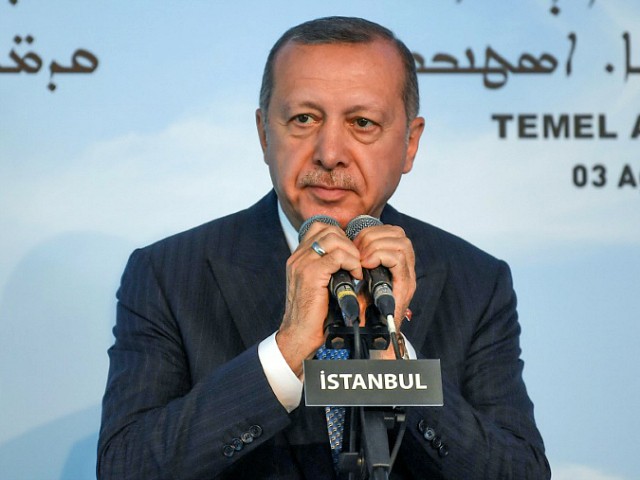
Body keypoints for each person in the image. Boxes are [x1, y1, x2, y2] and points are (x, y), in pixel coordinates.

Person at [98, 16, 550, 479]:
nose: (329, 152)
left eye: (363, 123)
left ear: (410, 144)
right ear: (263, 134)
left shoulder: (475, 280)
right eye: (304, 119)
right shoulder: (169, 274)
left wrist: (398, 369)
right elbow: (124, 468)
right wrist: (286, 351)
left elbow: (521, 473)